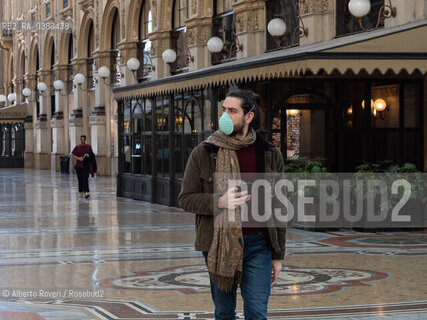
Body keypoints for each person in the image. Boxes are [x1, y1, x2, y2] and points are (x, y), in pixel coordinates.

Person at [178, 89, 286, 320]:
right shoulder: (205, 151)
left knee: (257, 313)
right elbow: (185, 198)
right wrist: (219, 201)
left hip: (259, 244)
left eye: (232, 111)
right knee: (224, 312)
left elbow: (279, 207)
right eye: (224, 109)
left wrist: (278, 255)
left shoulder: (269, 153)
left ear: (249, 117)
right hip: (219, 245)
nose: (225, 116)